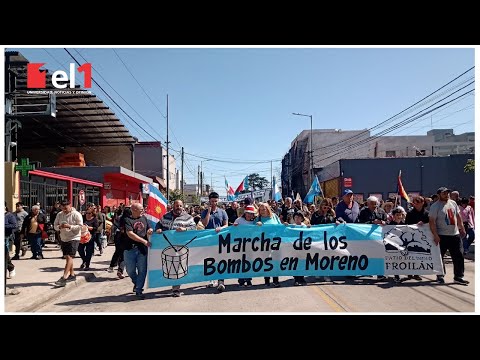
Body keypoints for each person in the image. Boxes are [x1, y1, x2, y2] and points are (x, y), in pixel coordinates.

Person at [155, 200, 196, 297]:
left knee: (177, 266)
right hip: (166, 245)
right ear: (173, 206)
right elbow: (158, 224)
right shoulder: (166, 216)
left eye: (180, 206)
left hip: (181, 245)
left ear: (183, 207)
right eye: (177, 205)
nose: (179, 207)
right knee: (168, 266)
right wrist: (158, 229)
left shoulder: (188, 218)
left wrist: (185, 229)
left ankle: (176, 289)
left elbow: (194, 227)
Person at [429, 187, 469, 285]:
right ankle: (440, 276)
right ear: (439, 195)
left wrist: (461, 228)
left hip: (454, 234)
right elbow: (432, 222)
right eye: (444, 193)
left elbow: (458, 216)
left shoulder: (453, 203)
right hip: (442, 235)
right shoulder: (435, 206)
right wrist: (435, 235)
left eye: (447, 193)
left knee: (459, 256)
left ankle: (458, 277)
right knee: (440, 257)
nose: (446, 195)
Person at [124, 203, 153, 300]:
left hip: (142, 250)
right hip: (129, 249)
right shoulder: (127, 220)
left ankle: (139, 289)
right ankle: (137, 283)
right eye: (141, 209)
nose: (143, 211)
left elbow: (149, 228)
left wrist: (150, 230)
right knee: (130, 270)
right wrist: (144, 241)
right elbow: (130, 233)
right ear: (134, 210)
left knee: (142, 270)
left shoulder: (144, 218)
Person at [201, 192, 228, 292]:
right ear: (209, 201)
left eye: (215, 201)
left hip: (221, 239)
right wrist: (208, 212)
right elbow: (204, 224)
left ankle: (221, 281)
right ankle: (212, 280)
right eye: (212, 201)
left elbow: (226, 225)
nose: (214, 203)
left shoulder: (222, 212)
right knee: (210, 260)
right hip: (209, 240)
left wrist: (221, 228)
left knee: (221, 260)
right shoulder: (204, 212)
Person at [53, 199, 83, 287]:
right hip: (64, 238)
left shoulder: (76, 214)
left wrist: (70, 226)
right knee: (67, 257)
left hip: (74, 237)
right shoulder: (59, 215)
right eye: (62, 208)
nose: (64, 210)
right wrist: (59, 227)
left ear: (70, 206)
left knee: (70, 256)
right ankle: (72, 274)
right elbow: (55, 226)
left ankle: (64, 277)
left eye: (66, 208)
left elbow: (80, 226)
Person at [255, 202, 282, 287]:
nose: (263, 211)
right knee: (266, 261)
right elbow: (252, 230)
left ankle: (275, 280)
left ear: (268, 209)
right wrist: (257, 226)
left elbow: (280, 226)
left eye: (265, 209)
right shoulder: (258, 218)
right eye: (261, 209)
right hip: (264, 242)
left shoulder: (274, 216)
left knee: (275, 261)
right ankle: (267, 280)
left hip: (275, 242)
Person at [233, 205, 256, 287]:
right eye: (248, 213)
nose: (249, 215)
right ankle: (241, 280)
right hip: (240, 244)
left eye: (251, 214)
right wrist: (234, 227)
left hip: (250, 245)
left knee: (249, 261)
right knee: (241, 262)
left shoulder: (254, 222)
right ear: (245, 213)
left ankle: (249, 279)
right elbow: (233, 230)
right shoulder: (239, 220)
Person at [5, 205, 17, 279]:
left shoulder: (9, 215)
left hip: (5, 237)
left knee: (4, 255)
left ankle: (11, 268)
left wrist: (3, 225)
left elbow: (14, 225)